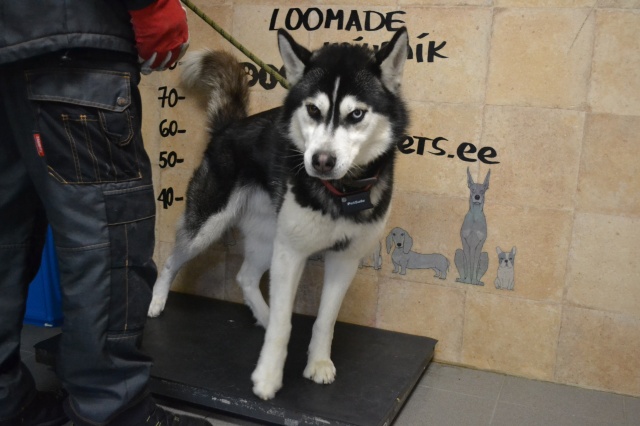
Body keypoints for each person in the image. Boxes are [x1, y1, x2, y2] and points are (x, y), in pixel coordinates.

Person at [0, 1, 210, 425]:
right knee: (108, 238)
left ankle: (6, 402)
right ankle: (112, 414)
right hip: (67, 41)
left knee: (5, 235)